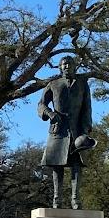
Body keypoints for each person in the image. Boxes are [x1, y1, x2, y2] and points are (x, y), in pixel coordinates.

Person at [38, 56, 95, 208]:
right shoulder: (53, 83)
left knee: (77, 164)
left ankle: (75, 199)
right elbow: (41, 104)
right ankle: (57, 198)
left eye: (70, 64)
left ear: (75, 66)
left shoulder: (82, 84)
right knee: (57, 164)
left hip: (77, 129)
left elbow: (87, 108)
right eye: (64, 64)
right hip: (58, 130)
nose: (67, 66)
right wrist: (50, 114)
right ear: (60, 67)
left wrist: (85, 129)